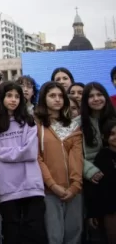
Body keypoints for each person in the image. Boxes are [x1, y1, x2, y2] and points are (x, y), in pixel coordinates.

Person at [0, 82, 46, 244]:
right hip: (7, 187)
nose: (13, 100)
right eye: (9, 95)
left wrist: (1, 153)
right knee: (12, 234)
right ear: (1, 98)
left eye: (17, 96)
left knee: (36, 233)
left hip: (31, 186)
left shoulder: (28, 121)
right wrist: (10, 153)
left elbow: (30, 152)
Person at [35, 81, 83, 244]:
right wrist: (52, 185)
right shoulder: (36, 125)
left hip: (74, 192)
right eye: (52, 96)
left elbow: (77, 158)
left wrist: (75, 186)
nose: (57, 99)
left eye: (60, 96)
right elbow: (37, 158)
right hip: (49, 192)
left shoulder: (73, 126)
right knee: (54, 237)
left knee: (74, 236)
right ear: (44, 98)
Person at [85, 118, 116, 242]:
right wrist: (92, 213)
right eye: (112, 134)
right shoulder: (103, 156)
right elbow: (95, 188)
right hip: (110, 210)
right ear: (105, 137)